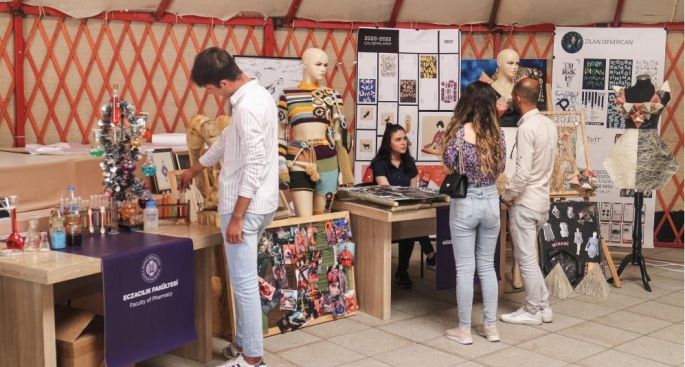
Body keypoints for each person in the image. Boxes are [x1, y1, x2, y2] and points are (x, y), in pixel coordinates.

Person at [178, 47, 278, 367]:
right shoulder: (256, 94)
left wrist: (236, 216)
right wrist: (196, 168)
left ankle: (251, 361)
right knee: (244, 280)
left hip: (244, 207)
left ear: (223, 82)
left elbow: (254, 165)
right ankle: (246, 348)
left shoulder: (246, 108)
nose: (211, 96)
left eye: (210, 90)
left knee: (244, 285)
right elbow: (226, 140)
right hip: (261, 203)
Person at [441, 81, 506, 345]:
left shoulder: (457, 133)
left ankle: (464, 329)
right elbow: (500, 167)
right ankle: (490, 326)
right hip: (491, 199)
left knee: (465, 269)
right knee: (488, 266)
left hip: (466, 201)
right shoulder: (497, 134)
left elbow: (448, 165)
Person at [500, 77, 558, 327]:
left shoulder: (526, 128)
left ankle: (532, 310)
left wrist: (506, 196)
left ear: (518, 98)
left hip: (525, 203)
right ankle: (543, 307)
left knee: (525, 259)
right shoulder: (549, 124)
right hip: (542, 201)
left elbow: (522, 173)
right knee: (530, 258)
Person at [278, 48, 354, 217]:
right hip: (298, 158)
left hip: (328, 159)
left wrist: (344, 170)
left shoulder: (334, 96)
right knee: (303, 219)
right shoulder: (287, 95)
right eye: (318, 64)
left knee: (322, 217)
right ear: (304, 64)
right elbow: (280, 134)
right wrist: (281, 164)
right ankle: (305, 244)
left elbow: (338, 135)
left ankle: (321, 244)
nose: (323, 69)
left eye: (326, 65)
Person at [370, 123, 437, 289]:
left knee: (412, 224)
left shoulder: (409, 162)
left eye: (404, 138)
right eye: (398, 139)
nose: (403, 142)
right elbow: (386, 191)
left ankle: (405, 270)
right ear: (388, 143)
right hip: (386, 212)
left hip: (405, 210)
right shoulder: (380, 163)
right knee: (412, 225)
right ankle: (429, 256)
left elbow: (414, 190)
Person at [480, 49, 544, 127]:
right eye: (510, 63)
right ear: (499, 62)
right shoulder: (486, 89)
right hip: (495, 134)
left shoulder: (521, 88)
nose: (514, 67)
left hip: (520, 133)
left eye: (516, 63)